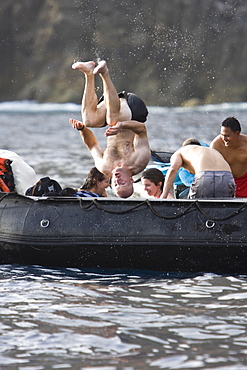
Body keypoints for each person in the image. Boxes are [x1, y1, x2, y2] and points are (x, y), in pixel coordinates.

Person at [70, 60, 150, 198]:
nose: (118, 181)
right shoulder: (139, 162)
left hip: (113, 107)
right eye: (123, 183)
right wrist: (122, 125)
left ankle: (89, 72)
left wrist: (82, 130)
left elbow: (92, 145)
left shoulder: (104, 167)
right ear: (131, 181)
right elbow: (142, 130)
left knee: (89, 120)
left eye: (116, 185)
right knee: (113, 121)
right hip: (133, 110)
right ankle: (104, 72)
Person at [160, 138, 236, 199]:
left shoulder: (181, 151)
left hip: (205, 176)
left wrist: (163, 196)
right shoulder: (211, 150)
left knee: (194, 208)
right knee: (225, 207)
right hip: (227, 176)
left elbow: (173, 169)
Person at [210, 117, 247, 197]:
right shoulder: (216, 145)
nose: (224, 139)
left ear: (237, 133)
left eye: (227, 136)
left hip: (245, 182)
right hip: (224, 182)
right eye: (222, 135)